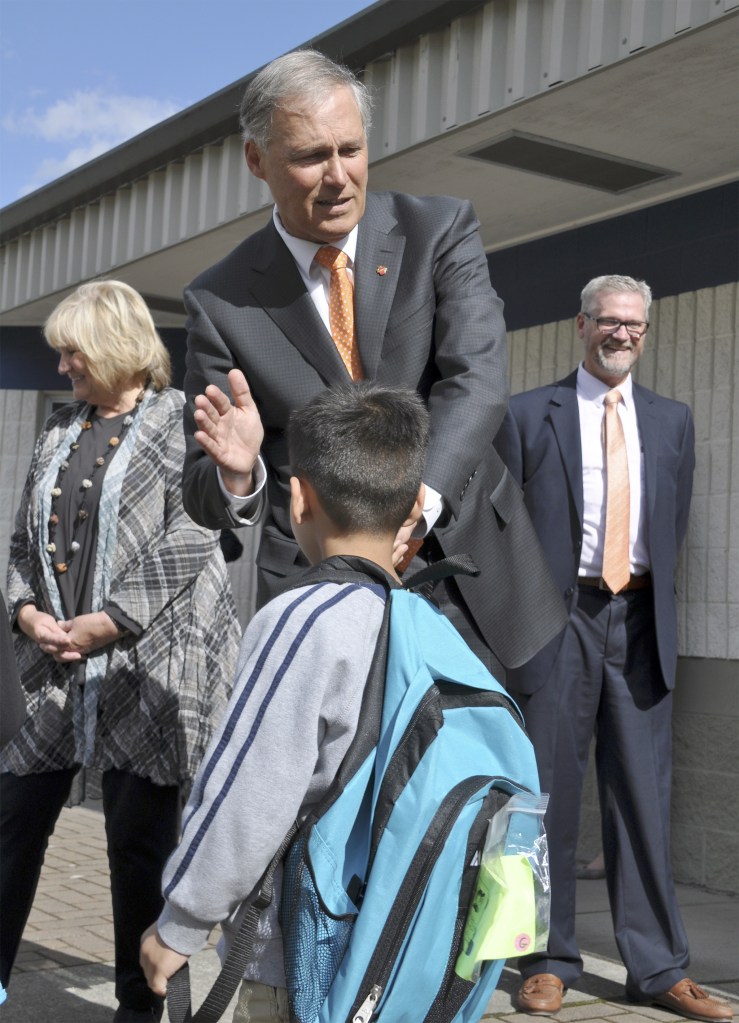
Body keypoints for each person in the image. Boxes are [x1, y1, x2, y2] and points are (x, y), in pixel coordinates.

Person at [178, 48, 566, 675]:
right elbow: (201, 487)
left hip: (471, 577)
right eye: (310, 156)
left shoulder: (439, 231)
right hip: (326, 598)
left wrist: (419, 497)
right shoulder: (220, 300)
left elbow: (477, 380)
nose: (338, 176)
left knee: (496, 768)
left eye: (350, 150)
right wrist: (237, 475)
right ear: (257, 159)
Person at [140, 382, 428, 1023]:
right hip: (402, 951)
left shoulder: (300, 619)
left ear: (298, 499)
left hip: (299, 961)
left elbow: (249, 790)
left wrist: (180, 926)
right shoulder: (424, 623)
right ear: (412, 508)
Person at [1, 280, 241, 1023]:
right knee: (12, 823)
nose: (65, 364)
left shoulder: (181, 424)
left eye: (75, 350)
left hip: (150, 666)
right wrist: (25, 610)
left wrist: (111, 620)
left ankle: (143, 1009)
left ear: (118, 346)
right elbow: (19, 544)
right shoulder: (57, 431)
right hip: (57, 670)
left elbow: (199, 535)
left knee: (139, 849)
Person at [494, 276, 732, 1022]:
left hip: (636, 625)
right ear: (580, 325)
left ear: (644, 331)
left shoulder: (672, 420)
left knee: (642, 801)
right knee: (546, 797)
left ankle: (657, 967)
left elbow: (670, 523)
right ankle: (543, 958)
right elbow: (506, 532)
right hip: (556, 621)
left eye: (633, 324)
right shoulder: (527, 415)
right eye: (607, 322)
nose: (620, 334)